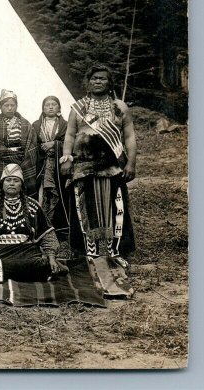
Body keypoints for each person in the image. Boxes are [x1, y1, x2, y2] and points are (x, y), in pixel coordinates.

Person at [59, 65, 137, 267]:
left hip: (113, 167)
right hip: (84, 167)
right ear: (88, 81)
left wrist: (131, 162)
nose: (98, 81)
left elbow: (129, 136)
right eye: (94, 78)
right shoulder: (79, 107)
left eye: (102, 78)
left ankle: (114, 251)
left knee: (114, 206)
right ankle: (90, 252)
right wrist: (66, 157)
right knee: (86, 206)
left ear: (109, 83)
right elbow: (70, 134)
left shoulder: (119, 107)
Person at [0, 164, 68, 282]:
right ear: (2, 184)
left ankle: (40, 270)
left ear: (22, 185)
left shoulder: (33, 206)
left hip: (27, 252)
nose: (12, 183)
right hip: (2, 252)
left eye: (16, 181)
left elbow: (47, 234)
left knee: (43, 264)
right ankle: (29, 275)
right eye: (8, 180)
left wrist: (51, 257)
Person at [32, 96, 71, 249]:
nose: (50, 107)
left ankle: (60, 232)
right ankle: (42, 231)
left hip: (58, 169)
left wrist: (55, 144)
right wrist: (43, 146)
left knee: (58, 196)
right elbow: (32, 144)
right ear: (43, 108)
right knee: (42, 196)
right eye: (47, 105)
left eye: (54, 104)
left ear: (59, 108)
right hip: (41, 167)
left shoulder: (65, 125)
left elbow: (69, 143)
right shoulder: (35, 125)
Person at [0, 89, 37, 195]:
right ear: (0, 107)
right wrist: (15, 157)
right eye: (6, 105)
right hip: (2, 163)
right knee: (1, 195)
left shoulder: (26, 124)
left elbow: (32, 146)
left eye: (12, 105)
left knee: (25, 194)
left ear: (16, 106)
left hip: (24, 164)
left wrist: (21, 160)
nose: (9, 108)